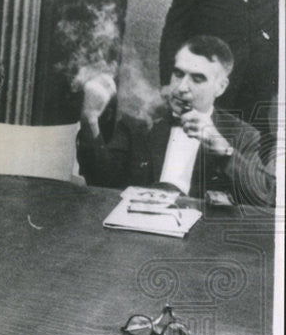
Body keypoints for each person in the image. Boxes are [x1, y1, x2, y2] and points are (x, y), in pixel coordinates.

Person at [77, 35, 274, 207]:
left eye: (197, 79)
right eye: (178, 74)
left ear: (220, 87)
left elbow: (264, 199)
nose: (181, 87)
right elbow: (100, 181)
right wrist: (90, 118)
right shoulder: (139, 121)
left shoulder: (241, 134)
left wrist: (224, 151)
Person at [160, 0, 278, 142]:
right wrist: (168, 86)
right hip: (208, 98)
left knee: (246, 168)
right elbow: (173, 34)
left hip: (258, 100)